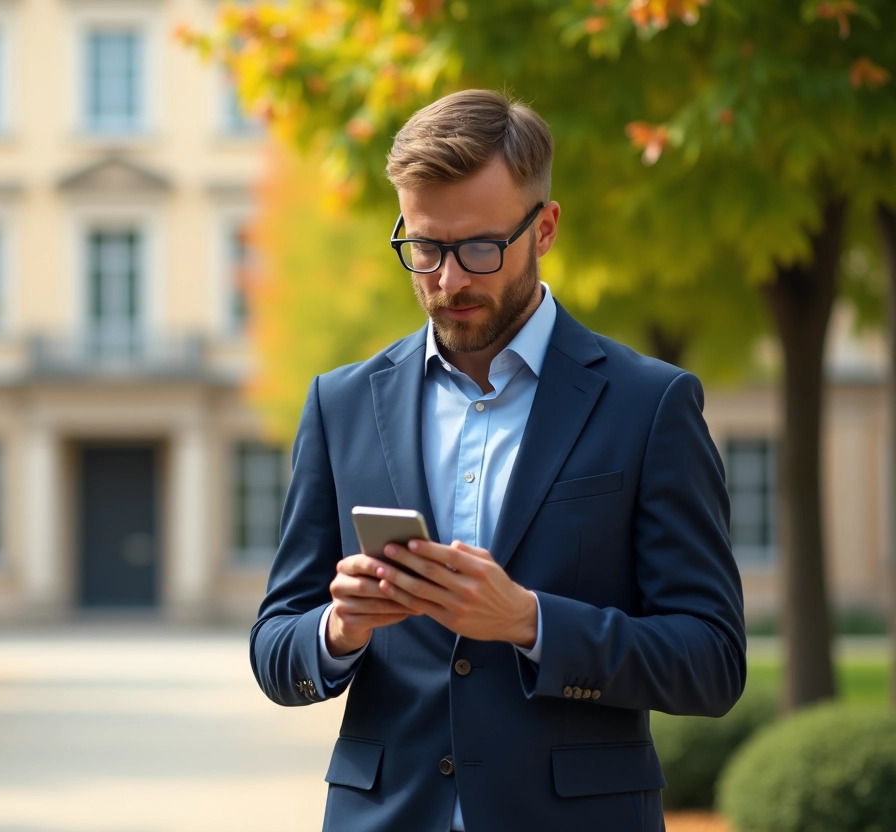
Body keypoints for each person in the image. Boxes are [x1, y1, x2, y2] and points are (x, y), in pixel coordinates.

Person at [249, 89, 746, 832]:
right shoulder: (341, 404)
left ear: (543, 229)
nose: (447, 281)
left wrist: (529, 622)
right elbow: (273, 644)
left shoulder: (650, 405)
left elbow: (710, 661)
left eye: (479, 248)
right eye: (423, 248)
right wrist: (338, 632)